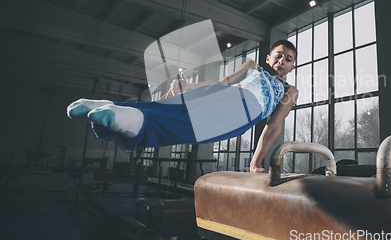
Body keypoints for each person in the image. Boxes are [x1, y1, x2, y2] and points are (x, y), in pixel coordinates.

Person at [67, 40, 298, 173]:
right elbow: (223, 82)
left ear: (292, 67)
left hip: (243, 106)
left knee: (173, 109)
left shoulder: (289, 91)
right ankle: (128, 121)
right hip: (234, 100)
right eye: (278, 56)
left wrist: (256, 160)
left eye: (288, 59)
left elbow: (273, 128)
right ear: (268, 58)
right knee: (179, 118)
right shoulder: (252, 66)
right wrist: (189, 86)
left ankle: (111, 112)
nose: (282, 61)